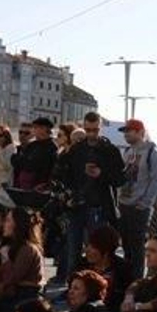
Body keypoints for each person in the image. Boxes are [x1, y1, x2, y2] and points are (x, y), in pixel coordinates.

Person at [58, 112, 126, 279]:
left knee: (96, 250)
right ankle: (72, 286)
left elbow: (120, 179)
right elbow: (64, 175)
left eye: (94, 130)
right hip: (77, 205)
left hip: (98, 207)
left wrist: (101, 174)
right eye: (88, 130)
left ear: (100, 128)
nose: (91, 134)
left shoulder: (109, 150)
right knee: (73, 250)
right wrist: (68, 194)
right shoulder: (77, 149)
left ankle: (94, 285)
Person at [118, 119, 157, 281]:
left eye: (130, 131)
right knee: (126, 246)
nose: (126, 134)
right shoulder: (128, 151)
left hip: (139, 207)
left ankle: (136, 281)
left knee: (137, 248)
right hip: (124, 204)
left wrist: (145, 203)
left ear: (140, 132)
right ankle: (126, 278)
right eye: (125, 131)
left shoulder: (152, 152)